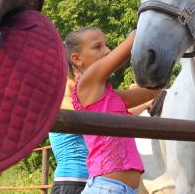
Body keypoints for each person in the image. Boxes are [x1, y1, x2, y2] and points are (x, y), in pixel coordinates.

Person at [65, 27, 159, 193]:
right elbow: (130, 43)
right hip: (106, 188)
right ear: (77, 59)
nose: (107, 50)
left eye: (107, 45)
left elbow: (153, 91)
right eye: (97, 47)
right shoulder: (87, 83)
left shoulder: (111, 97)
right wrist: (151, 22)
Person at [49, 74, 89, 194]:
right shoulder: (60, 103)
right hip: (70, 182)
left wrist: (145, 104)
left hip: (86, 181)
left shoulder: (76, 102)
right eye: (79, 73)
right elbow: (104, 114)